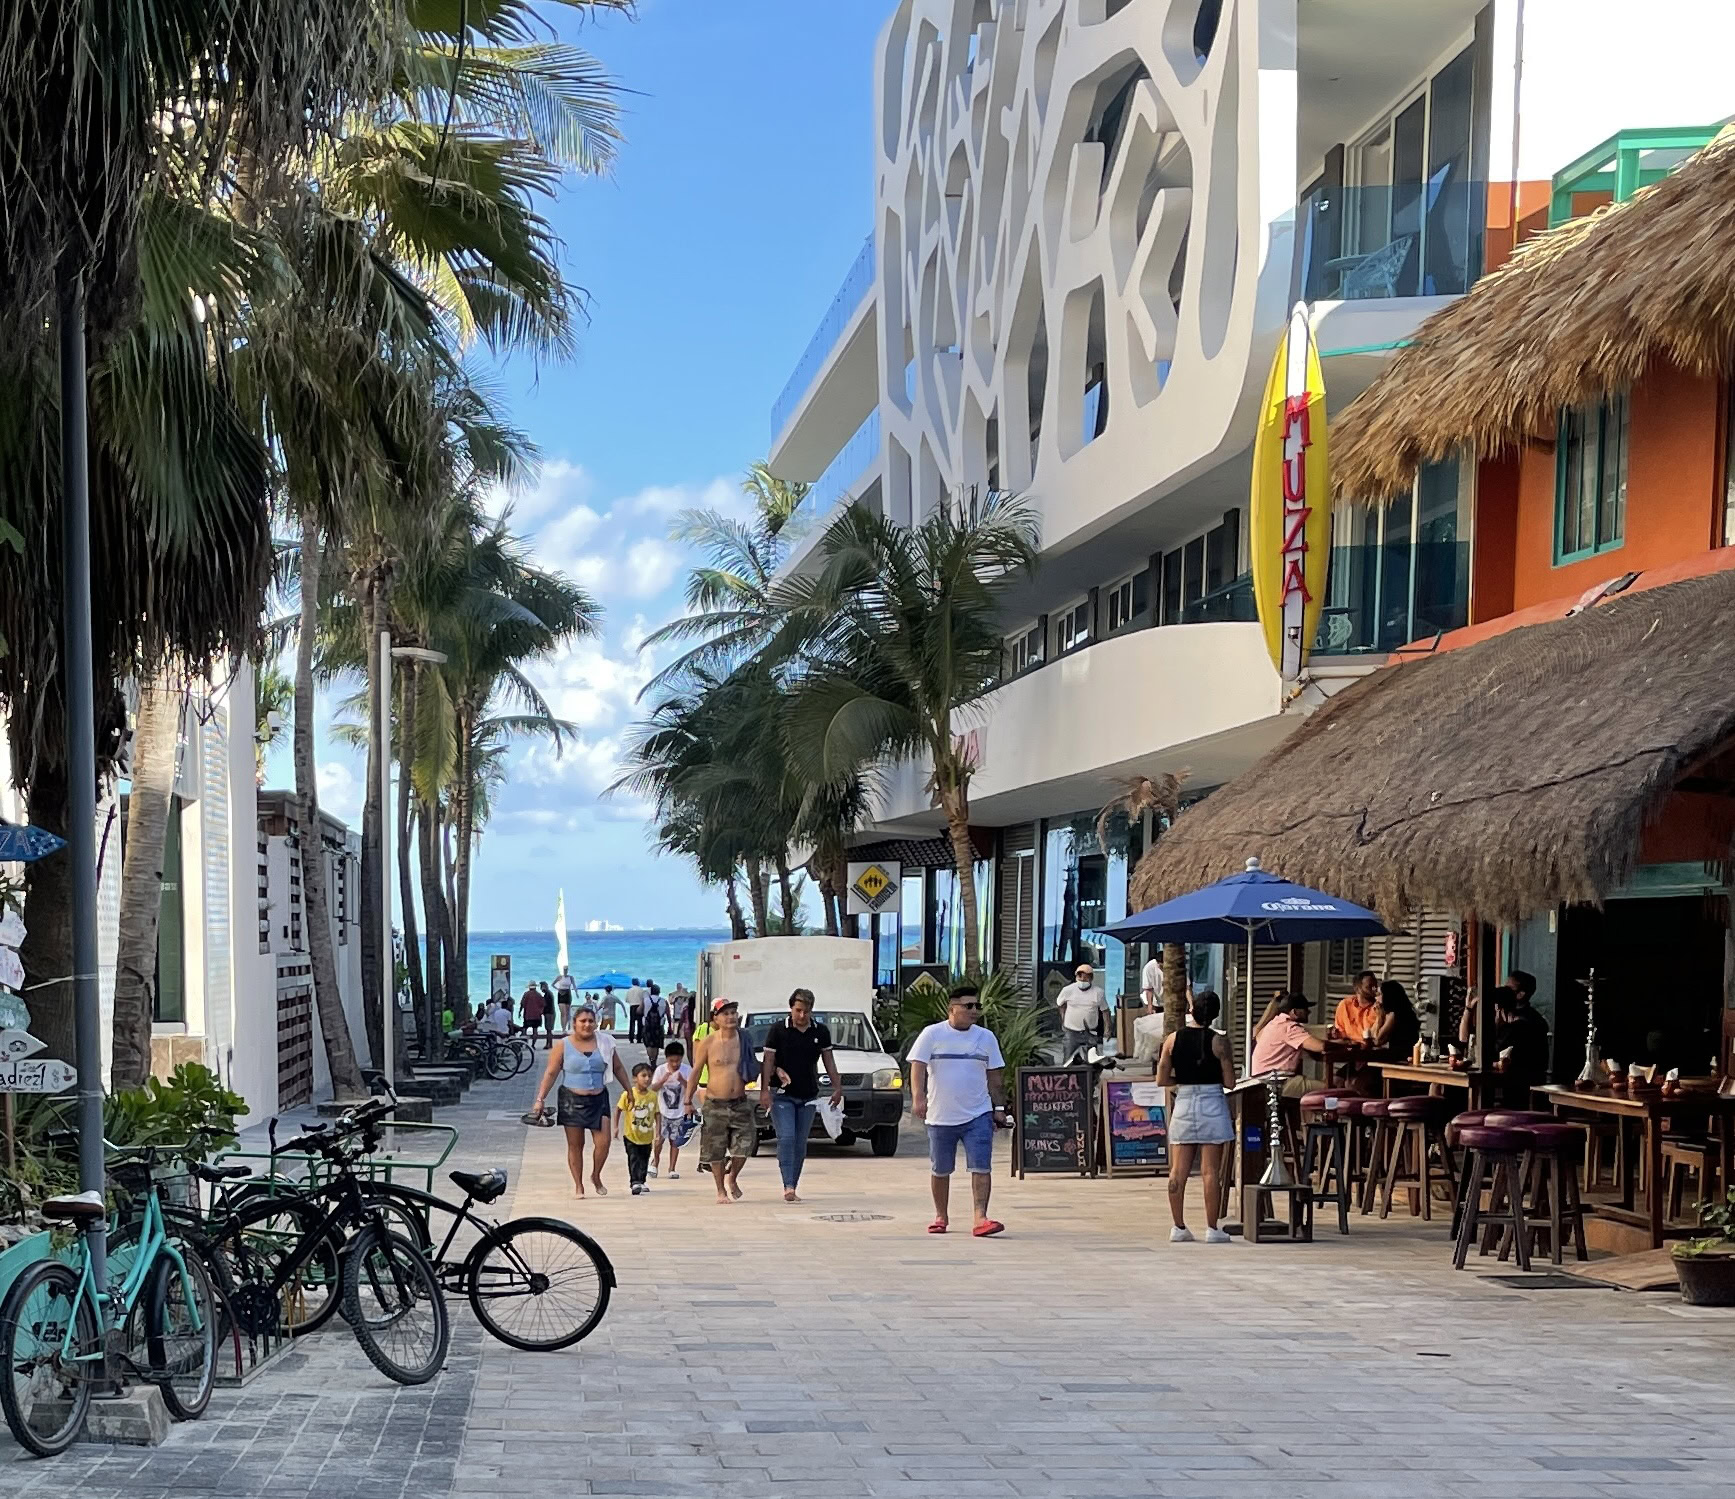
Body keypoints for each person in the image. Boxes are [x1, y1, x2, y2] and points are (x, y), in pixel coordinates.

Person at [909, 982, 1008, 1237]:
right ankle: (941, 1216)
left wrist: (998, 1108)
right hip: (941, 1115)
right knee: (940, 1169)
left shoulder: (986, 1037)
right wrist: (918, 1098)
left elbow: (995, 1076)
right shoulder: (932, 1034)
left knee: (981, 1166)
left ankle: (980, 1217)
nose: (974, 1010)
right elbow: (917, 1066)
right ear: (951, 1009)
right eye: (968, 1006)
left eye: (977, 1006)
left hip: (978, 1113)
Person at [529, 1003, 634, 1198]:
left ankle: (596, 1175)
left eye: (590, 1021)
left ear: (596, 1023)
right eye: (582, 1021)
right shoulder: (563, 1045)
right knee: (575, 1145)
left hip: (598, 1098)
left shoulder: (605, 1042)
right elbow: (551, 1072)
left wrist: (629, 1090)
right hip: (571, 1099)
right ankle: (578, 1185)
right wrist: (540, 1099)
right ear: (574, 1024)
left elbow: (618, 1068)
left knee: (604, 1142)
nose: (587, 1024)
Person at [1156, 988, 1235, 1243]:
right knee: (1210, 1171)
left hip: (1185, 1101)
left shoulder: (1172, 1039)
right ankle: (1212, 1228)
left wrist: (1184, 1077)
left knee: (1178, 1171)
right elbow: (1230, 1082)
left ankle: (1178, 1227)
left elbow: (1161, 1079)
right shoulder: (1220, 1042)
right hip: (1212, 1100)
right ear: (1215, 1015)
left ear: (1192, 1010)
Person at [760, 987, 846, 1203]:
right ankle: (787, 1183)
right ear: (791, 1009)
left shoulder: (820, 1031)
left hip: (809, 1095)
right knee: (787, 1137)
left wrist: (837, 1087)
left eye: (805, 1012)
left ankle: (793, 1185)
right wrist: (764, 1090)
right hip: (782, 1094)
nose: (801, 1016)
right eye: (797, 1011)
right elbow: (768, 1060)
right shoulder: (778, 1030)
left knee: (800, 1142)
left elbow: (828, 1060)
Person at [683, 997, 761, 1203]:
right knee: (715, 1150)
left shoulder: (745, 1038)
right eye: (725, 1013)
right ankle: (720, 1190)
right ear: (715, 1018)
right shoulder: (708, 1042)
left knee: (744, 1146)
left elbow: (756, 1061)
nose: (731, 1017)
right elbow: (696, 1071)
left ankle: (732, 1177)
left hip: (740, 1101)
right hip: (715, 1103)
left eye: (733, 1012)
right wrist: (687, 1100)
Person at [1460, 969, 1550, 1095]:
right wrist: (1468, 1009)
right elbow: (1465, 1040)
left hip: (1518, 1088)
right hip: (1505, 1083)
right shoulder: (1506, 1021)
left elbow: (1491, 1056)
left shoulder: (1526, 1023)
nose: (1504, 991)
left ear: (1521, 994)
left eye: (1508, 988)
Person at [1249, 990, 1326, 1098]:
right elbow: (1320, 1046)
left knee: (1307, 1090)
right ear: (1294, 1012)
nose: (1309, 1012)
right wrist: (1343, 1045)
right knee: (1330, 1090)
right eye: (1305, 1009)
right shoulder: (1289, 1027)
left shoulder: (1273, 1024)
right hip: (1277, 1082)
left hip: (1263, 1081)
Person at [651, 1041, 693, 1180]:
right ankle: (654, 1164)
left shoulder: (687, 1070)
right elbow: (654, 1088)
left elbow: (692, 1089)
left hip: (679, 1112)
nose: (675, 1064)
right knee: (659, 1140)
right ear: (667, 1058)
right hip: (662, 1111)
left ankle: (672, 1168)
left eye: (678, 1061)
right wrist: (663, 1079)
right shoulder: (660, 1070)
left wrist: (683, 1081)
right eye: (672, 1061)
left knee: (675, 1141)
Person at [617, 1063, 658, 1195]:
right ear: (635, 1078)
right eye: (643, 1076)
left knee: (644, 1158)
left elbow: (657, 1114)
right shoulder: (628, 1094)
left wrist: (659, 1131)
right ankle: (634, 1182)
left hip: (647, 1135)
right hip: (631, 1134)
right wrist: (615, 1127)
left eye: (650, 1076)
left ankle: (642, 1180)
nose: (647, 1079)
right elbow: (618, 1109)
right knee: (633, 1158)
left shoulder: (653, 1096)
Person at [1054, 963, 1108, 1064]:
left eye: (1085, 977)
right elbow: (1060, 1004)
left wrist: (1107, 1029)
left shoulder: (1098, 992)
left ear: (1091, 978)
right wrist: (1063, 1019)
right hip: (1071, 1032)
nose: (1082, 979)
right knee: (1068, 1060)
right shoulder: (1067, 990)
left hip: (1091, 1032)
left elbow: (1105, 1011)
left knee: (1092, 1062)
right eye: (1080, 976)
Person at [1333, 970, 1383, 1046]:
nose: (1374, 989)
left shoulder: (1378, 1008)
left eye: (1375, 986)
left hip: (1370, 1050)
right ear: (1357, 988)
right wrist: (1336, 1034)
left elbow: (1376, 1036)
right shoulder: (1345, 1005)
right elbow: (1341, 1032)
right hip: (1349, 1048)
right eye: (1369, 986)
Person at [1374, 979, 1421, 1059]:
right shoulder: (1405, 1011)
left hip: (1401, 1056)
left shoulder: (1394, 1014)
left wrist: (1379, 1016)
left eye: (1379, 994)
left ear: (1387, 996)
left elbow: (1377, 1039)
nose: (1376, 998)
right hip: (1406, 1054)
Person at [642, 983, 668, 1058]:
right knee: (656, 1044)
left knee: (648, 1043)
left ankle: (651, 1059)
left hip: (647, 1026)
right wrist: (670, 1025)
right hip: (659, 1025)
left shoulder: (646, 1000)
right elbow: (667, 1013)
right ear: (659, 992)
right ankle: (654, 1060)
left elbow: (639, 1010)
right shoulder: (663, 1001)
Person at [626, 979, 648, 1043]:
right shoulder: (641, 990)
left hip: (632, 1006)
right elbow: (644, 999)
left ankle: (631, 1038)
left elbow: (627, 1000)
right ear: (638, 982)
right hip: (639, 1006)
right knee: (640, 1023)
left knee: (632, 1023)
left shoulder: (629, 990)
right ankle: (639, 1038)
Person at [539, 980, 557, 1047]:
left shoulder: (547, 994)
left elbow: (545, 1004)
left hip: (549, 1013)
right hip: (550, 1013)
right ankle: (549, 1044)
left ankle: (548, 1044)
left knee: (548, 1030)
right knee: (549, 1030)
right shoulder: (548, 994)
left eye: (541, 987)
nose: (541, 989)